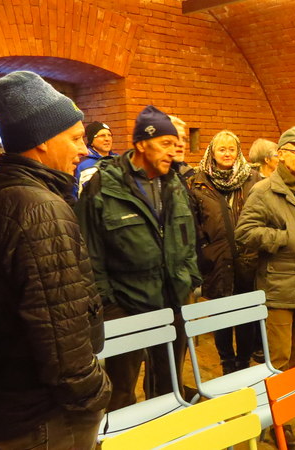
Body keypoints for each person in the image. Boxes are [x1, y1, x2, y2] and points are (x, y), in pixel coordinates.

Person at [0, 70, 111, 449]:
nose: (84, 150)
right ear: (41, 141)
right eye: (76, 138)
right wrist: (94, 394)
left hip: (2, 400)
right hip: (45, 416)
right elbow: (61, 331)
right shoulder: (40, 208)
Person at [76, 105, 201, 411]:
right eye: (166, 143)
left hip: (173, 301)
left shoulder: (174, 183)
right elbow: (89, 252)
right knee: (121, 392)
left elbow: (187, 238)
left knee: (169, 384)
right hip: (127, 306)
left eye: (176, 143)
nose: (174, 150)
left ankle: (165, 429)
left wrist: (188, 281)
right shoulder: (103, 186)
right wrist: (110, 304)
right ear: (142, 144)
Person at [235, 126, 295, 449]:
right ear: (281, 154)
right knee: (279, 359)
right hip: (279, 287)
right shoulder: (264, 191)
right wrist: (281, 238)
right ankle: (278, 423)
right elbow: (244, 232)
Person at [189, 130, 261, 375]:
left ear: (238, 151)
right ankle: (227, 362)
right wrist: (205, 251)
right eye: (222, 149)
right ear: (212, 152)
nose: (227, 154)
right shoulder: (198, 181)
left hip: (248, 258)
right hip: (216, 260)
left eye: (232, 149)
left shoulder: (253, 179)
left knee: (245, 314)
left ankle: (244, 360)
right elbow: (194, 223)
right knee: (221, 315)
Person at [73, 121, 116, 199]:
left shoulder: (119, 160)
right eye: (102, 135)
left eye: (109, 135)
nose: (107, 139)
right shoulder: (81, 164)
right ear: (91, 141)